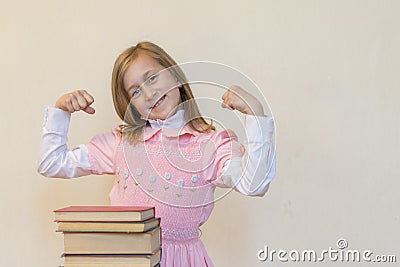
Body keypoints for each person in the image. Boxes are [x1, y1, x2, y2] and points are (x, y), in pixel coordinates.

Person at [37, 41, 276, 266]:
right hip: (126, 259)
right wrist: (60, 112)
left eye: (152, 78)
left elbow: (254, 185)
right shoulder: (121, 143)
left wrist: (255, 115)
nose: (149, 93)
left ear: (175, 76)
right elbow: (52, 163)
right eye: (135, 92)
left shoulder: (209, 145)